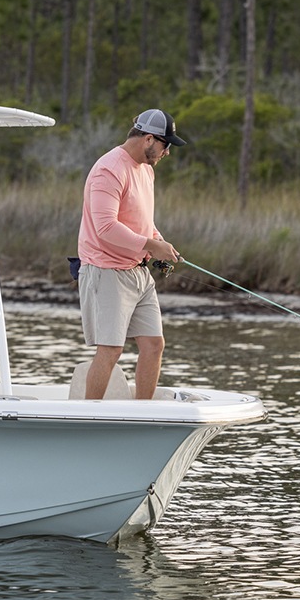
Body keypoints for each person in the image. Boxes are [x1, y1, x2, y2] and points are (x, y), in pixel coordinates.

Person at [75, 108, 186, 401]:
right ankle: (90, 416)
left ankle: (144, 412)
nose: (167, 153)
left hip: (138, 272)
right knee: (111, 349)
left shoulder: (146, 170)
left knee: (154, 344)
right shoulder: (108, 170)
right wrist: (151, 246)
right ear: (148, 139)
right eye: (166, 145)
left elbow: (140, 220)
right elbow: (105, 228)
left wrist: (159, 243)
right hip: (106, 271)